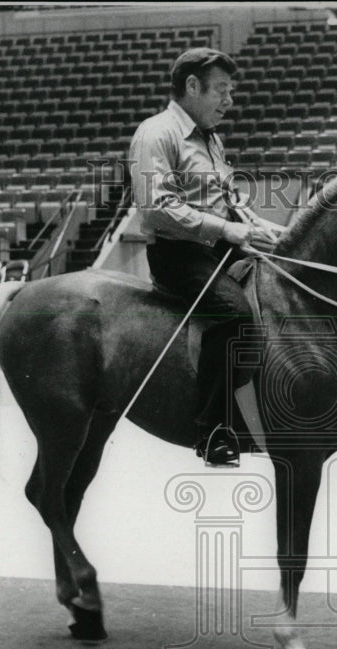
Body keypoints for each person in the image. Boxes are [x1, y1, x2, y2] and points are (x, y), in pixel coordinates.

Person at [129, 47, 284, 466]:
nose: (229, 101)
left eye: (230, 91)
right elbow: (157, 207)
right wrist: (230, 230)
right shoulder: (156, 134)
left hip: (220, 245)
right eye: (221, 90)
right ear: (192, 87)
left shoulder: (211, 138)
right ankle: (213, 430)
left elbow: (228, 199)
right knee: (234, 314)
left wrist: (267, 228)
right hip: (179, 254)